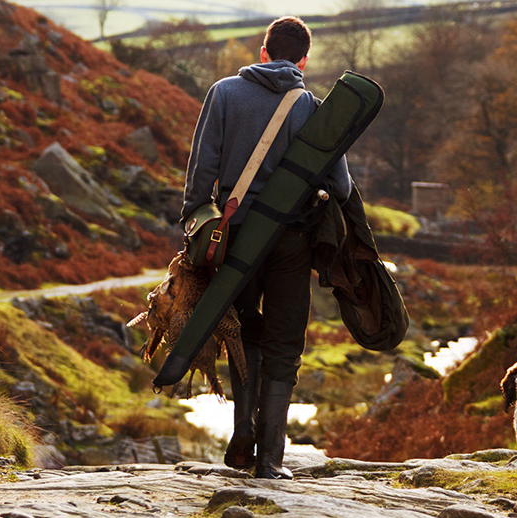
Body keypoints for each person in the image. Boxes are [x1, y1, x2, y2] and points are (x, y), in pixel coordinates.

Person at [180, 16, 351, 479]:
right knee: (284, 342)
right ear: (303, 60)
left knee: (242, 335)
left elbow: (201, 171)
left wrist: (197, 225)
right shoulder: (313, 108)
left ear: (262, 52)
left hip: (234, 237)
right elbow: (341, 184)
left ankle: (241, 438)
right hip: (292, 241)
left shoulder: (222, 93)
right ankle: (271, 459)